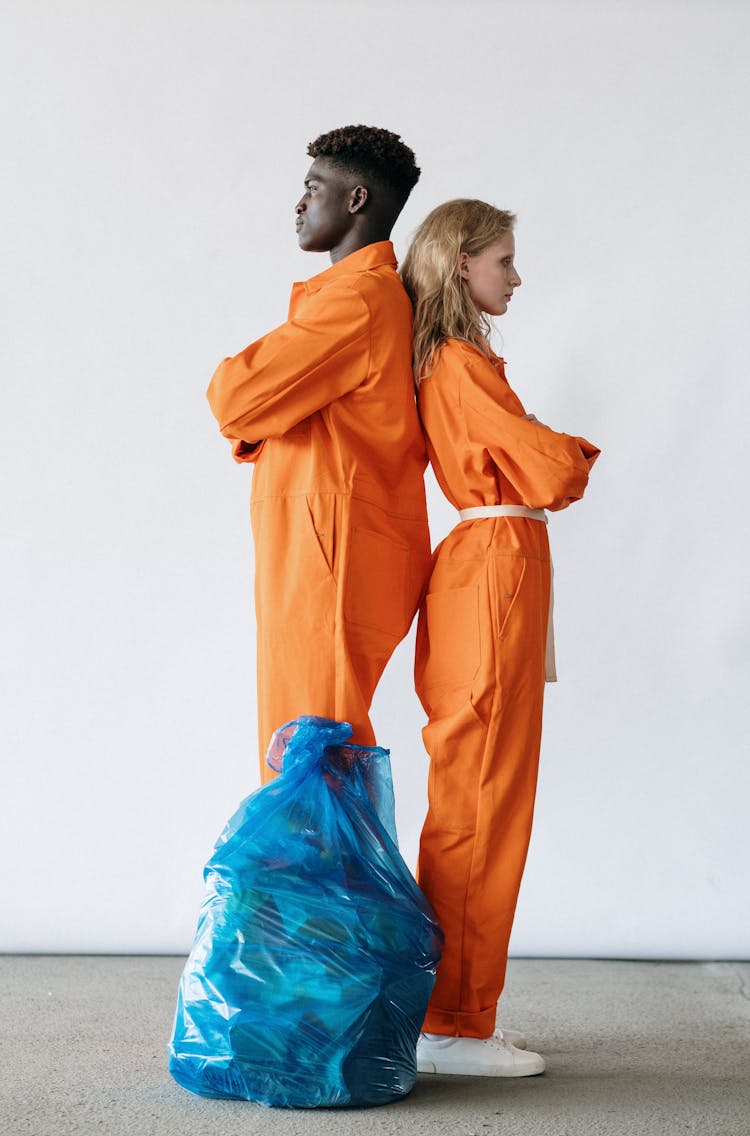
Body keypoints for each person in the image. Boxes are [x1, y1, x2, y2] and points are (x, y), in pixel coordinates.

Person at [400, 199, 600, 1077]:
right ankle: (451, 1024)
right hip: (494, 567)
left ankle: (460, 1012)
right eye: (504, 261)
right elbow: (552, 468)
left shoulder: (455, 360)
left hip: (493, 563)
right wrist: (574, 450)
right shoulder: (459, 363)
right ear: (460, 263)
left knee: (479, 795)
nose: (515, 278)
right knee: (484, 799)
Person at [207, 126, 430, 783]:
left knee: (311, 751)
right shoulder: (352, 300)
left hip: (329, 557)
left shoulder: (357, 303)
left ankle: (322, 889)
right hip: (323, 547)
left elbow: (235, 395)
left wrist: (258, 417)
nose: (299, 204)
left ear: (357, 199)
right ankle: (303, 888)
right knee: (305, 749)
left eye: (313, 188)